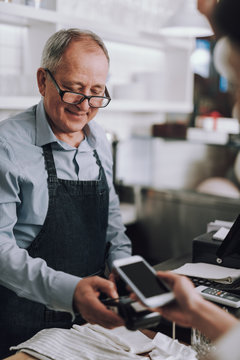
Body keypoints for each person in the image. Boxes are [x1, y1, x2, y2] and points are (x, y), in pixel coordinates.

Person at [0, 28, 131, 357]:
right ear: (43, 81)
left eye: (96, 93)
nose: (85, 105)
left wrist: (125, 267)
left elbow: (112, 222)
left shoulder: (99, 138)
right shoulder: (7, 145)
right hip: (20, 326)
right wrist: (72, 292)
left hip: (88, 325)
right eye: (73, 91)